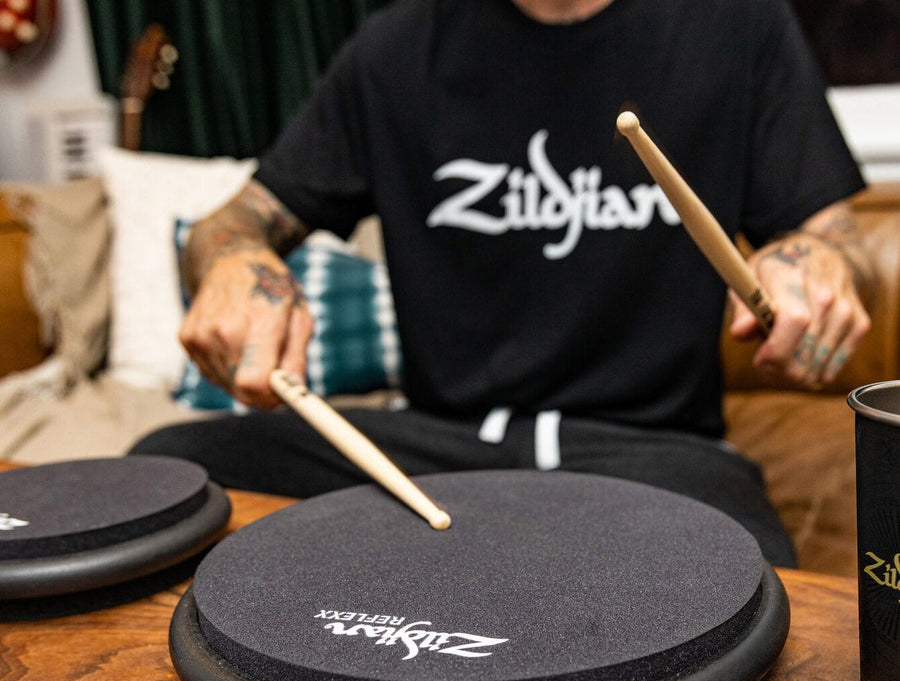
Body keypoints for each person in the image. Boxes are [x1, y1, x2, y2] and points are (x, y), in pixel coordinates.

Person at [131, 0, 873, 567]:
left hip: (655, 450)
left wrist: (821, 264)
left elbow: (837, 237)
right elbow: (234, 222)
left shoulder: (738, 26)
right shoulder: (396, 47)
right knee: (169, 475)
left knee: (751, 589)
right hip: (437, 444)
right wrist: (230, 260)